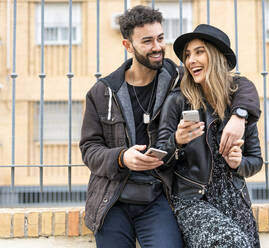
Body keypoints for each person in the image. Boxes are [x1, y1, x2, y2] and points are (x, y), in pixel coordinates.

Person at [79, 5, 259, 248]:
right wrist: (122, 158)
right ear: (128, 46)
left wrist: (239, 115)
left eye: (160, 38)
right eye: (147, 41)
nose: (157, 47)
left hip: (157, 193)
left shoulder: (178, 78)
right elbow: (89, 149)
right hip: (113, 196)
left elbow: (235, 82)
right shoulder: (102, 92)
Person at [156, 24, 263, 248]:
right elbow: (159, 160)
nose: (191, 60)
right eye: (187, 55)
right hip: (192, 198)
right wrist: (177, 141)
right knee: (231, 242)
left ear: (216, 56)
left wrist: (238, 163)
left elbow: (256, 160)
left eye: (199, 51)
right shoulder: (177, 101)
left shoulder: (240, 106)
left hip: (234, 199)